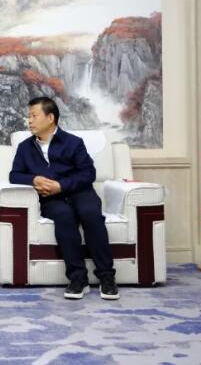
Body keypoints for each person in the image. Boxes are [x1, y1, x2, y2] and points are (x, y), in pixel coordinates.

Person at [9, 96, 119, 300]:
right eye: (28, 116)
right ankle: (78, 278)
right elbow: (14, 175)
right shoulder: (25, 147)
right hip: (51, 200)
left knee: (90, 214)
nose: (29, 121)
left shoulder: (73, 143)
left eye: (34, 116)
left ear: (50, 117)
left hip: (80, 193)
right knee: (63, 216)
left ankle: (107, 277)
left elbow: (88, 173)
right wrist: (34, 179)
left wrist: (61, 186)